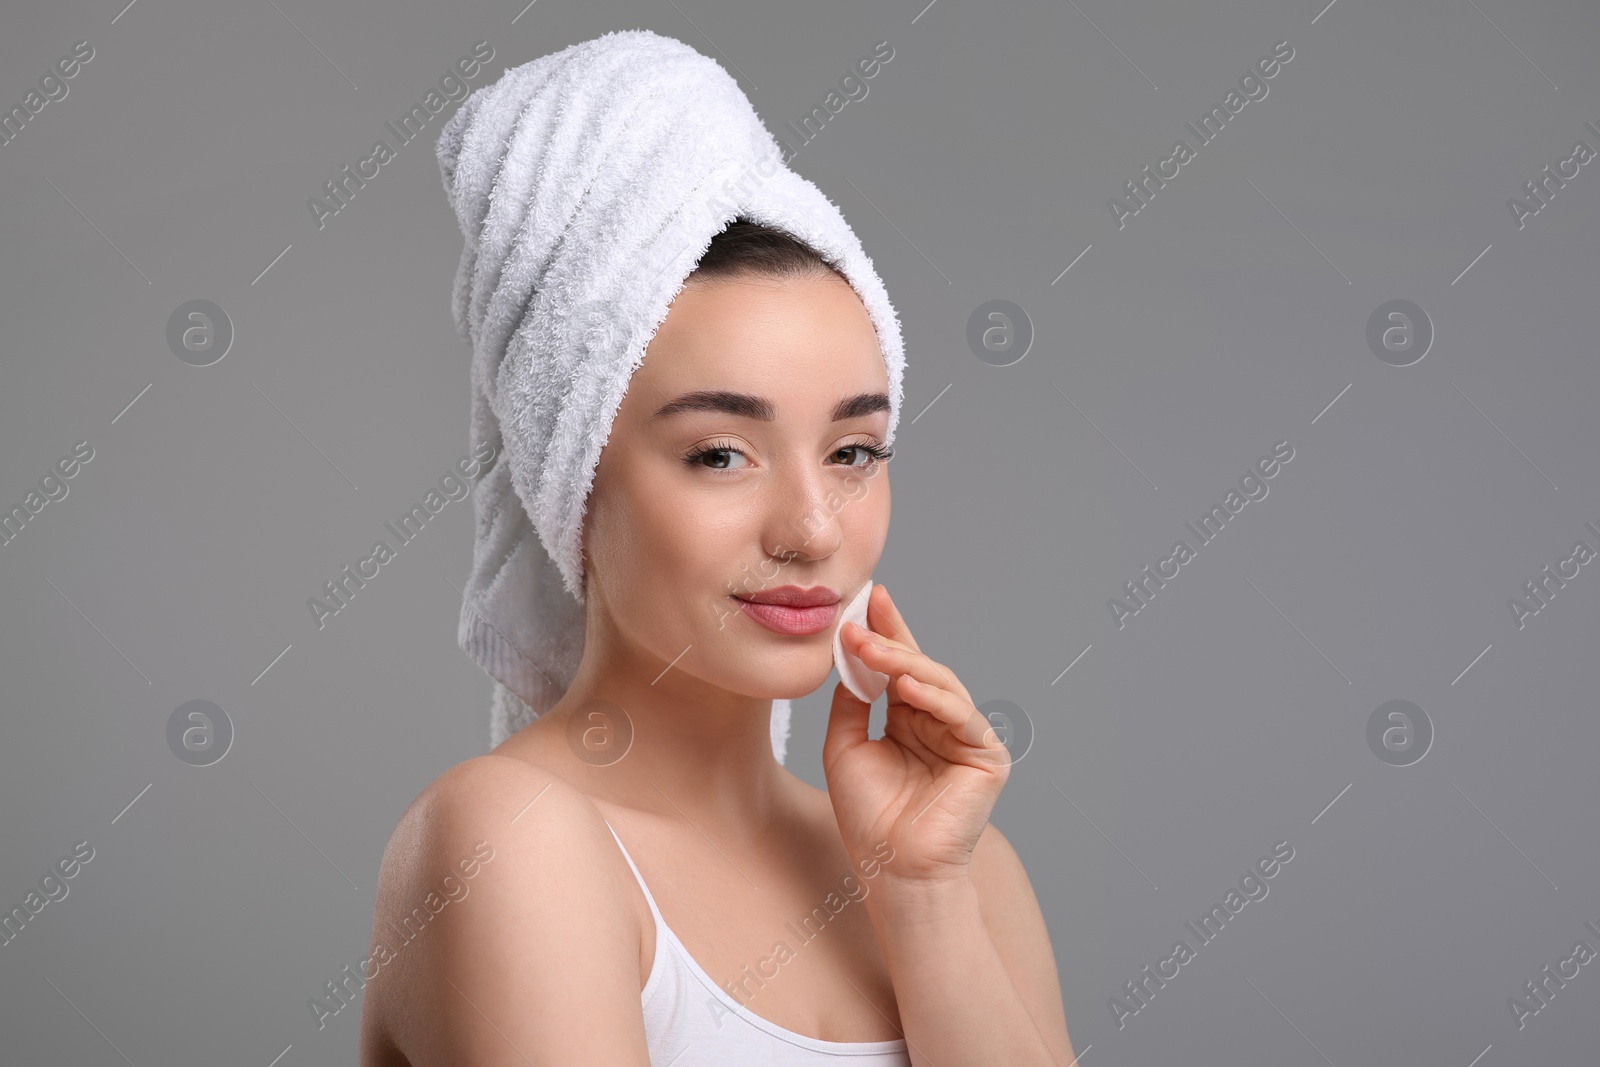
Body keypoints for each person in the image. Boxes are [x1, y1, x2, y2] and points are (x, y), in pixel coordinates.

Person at [357, 220, 1074, 1065]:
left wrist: (923, 898)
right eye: (722, 455)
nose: (813, 530)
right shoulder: (508, 842)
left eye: (852, 452)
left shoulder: (964, 869)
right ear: (572, 481)